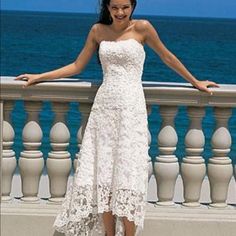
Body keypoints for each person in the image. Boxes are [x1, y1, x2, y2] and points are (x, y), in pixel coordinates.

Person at [15, 0, 219, 235]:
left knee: (127, 176)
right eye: (115, 7)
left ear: (133, 6)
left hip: (131, 109)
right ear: (108, 7)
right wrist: (40, 76)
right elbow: (77, 66)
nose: (120, 12)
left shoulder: (143, 28)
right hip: (105, 108)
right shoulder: (97, 31)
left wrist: (196, 82)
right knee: (104, 175)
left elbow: (167, 57)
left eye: (125, 7)